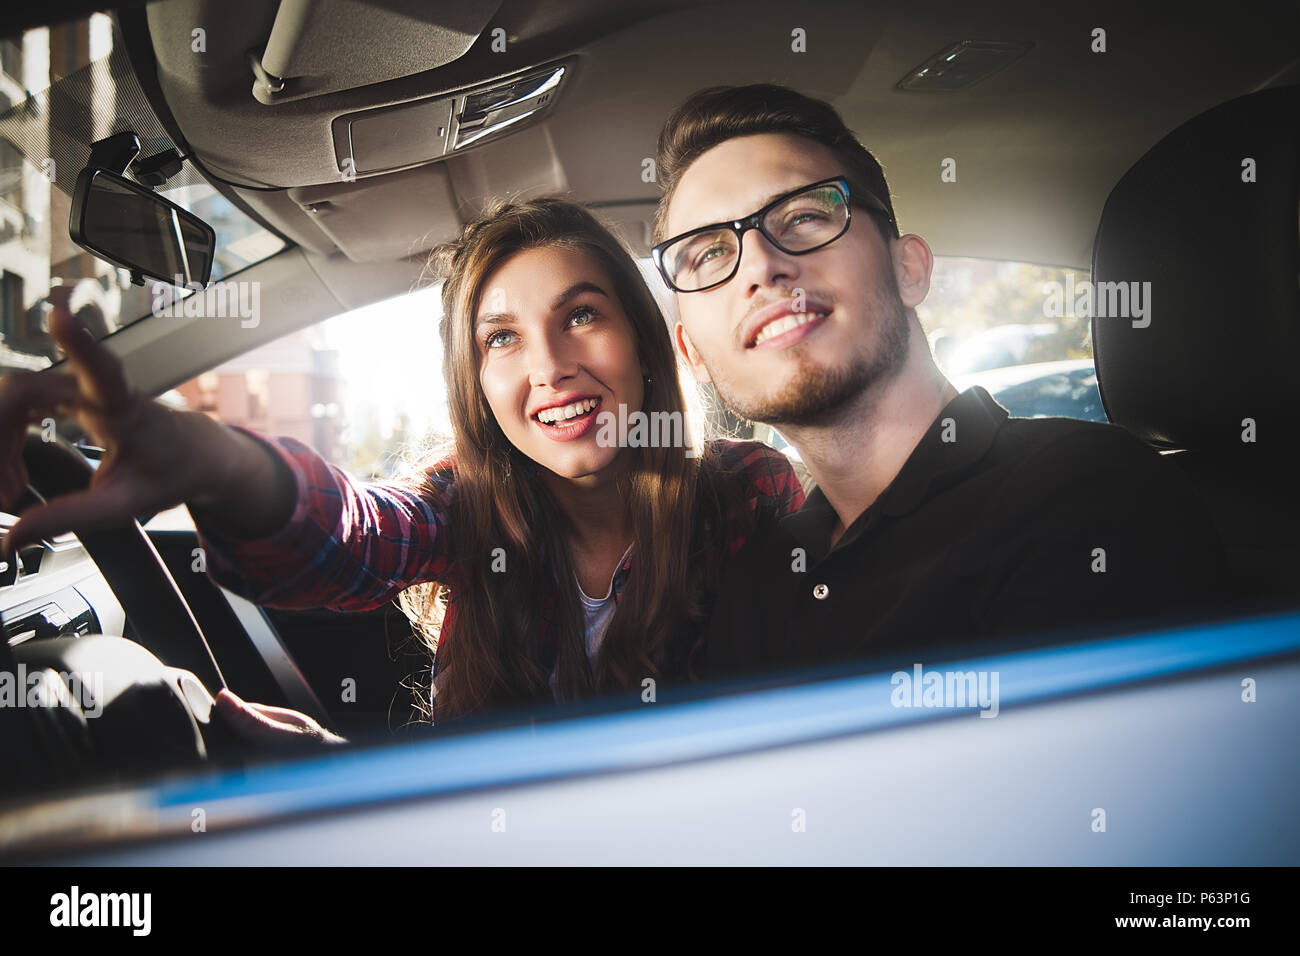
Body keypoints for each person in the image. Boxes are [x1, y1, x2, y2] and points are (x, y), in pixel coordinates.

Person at [0, 197, 803, 738]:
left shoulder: (745, 494)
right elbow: (351, 537)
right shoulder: (465, 502)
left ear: (642, 342)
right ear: (478, 386)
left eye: (582, 315)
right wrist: (217, 462)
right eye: (502, 339)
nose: (551, 366)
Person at [648, 84, 1231, 678]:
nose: (762, 266)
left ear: (910, 269)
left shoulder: (1088, 496)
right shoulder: (757, 574)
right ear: (692, 353)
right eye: (708, 254)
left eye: (802, 216)